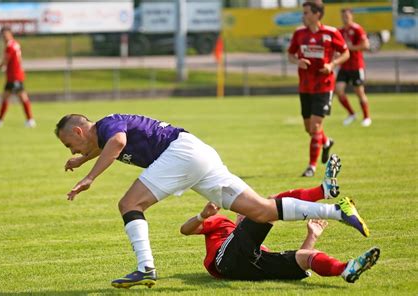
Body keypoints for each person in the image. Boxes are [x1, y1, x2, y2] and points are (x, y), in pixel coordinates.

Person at [55, 114, 369, 289]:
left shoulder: (109, 125)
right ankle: (337, 210)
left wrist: (90, 177)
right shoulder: (103, 133)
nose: (71, 150)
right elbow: (107, 144)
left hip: (179, 155)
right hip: (199, 153)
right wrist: (84, 160)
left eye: (70, 144)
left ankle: (146, 267)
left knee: (129, 204)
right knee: (261, 210)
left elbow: (118, 142)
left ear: (80, 130)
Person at [180, 203, 379, 283]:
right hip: (224, 262)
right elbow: (185, 230)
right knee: (270, 207)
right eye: (245, 211)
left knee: (305, 257)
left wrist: (312, 236)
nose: (247, 214)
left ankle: (345, 269)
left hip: (247, 269)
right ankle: (327, 201)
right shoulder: (224, 223)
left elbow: (300, 260)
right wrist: (201, 216)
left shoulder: (257, 247)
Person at [287, 1, 350, 177]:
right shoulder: (299, 33)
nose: (303, 16)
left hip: (324, 86)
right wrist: (297, 61)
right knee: (309, 129)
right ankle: (327, 141)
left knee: (315, 126)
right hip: (305, 86)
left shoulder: (331, 33)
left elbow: (346, 53)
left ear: (317, 14)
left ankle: (311, 167)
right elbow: (290, 54)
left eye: (306, 12)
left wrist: (332, 64)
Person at [0, 26, 35, 128]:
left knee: (22, 97)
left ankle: (30, 120)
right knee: (6, 97)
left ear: (10, 34)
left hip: (14, 76)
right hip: (13, 76)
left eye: (5, 35)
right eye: (3, 35)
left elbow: (5, 61)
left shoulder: (10, 46)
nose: (4, 37)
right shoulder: (15, 44)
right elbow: (19, 60)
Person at [336, 8, 372, 127]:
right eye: (343, 16)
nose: (344, 18)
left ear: (352, 16)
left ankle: (367, 117)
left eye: (347, 16)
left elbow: (366, 45)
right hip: (344, 66)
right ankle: (351, 114)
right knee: (339, 90)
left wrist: (351, 47)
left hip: (356, 66)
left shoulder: (357, 29)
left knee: (359, 92)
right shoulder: (340, 31)